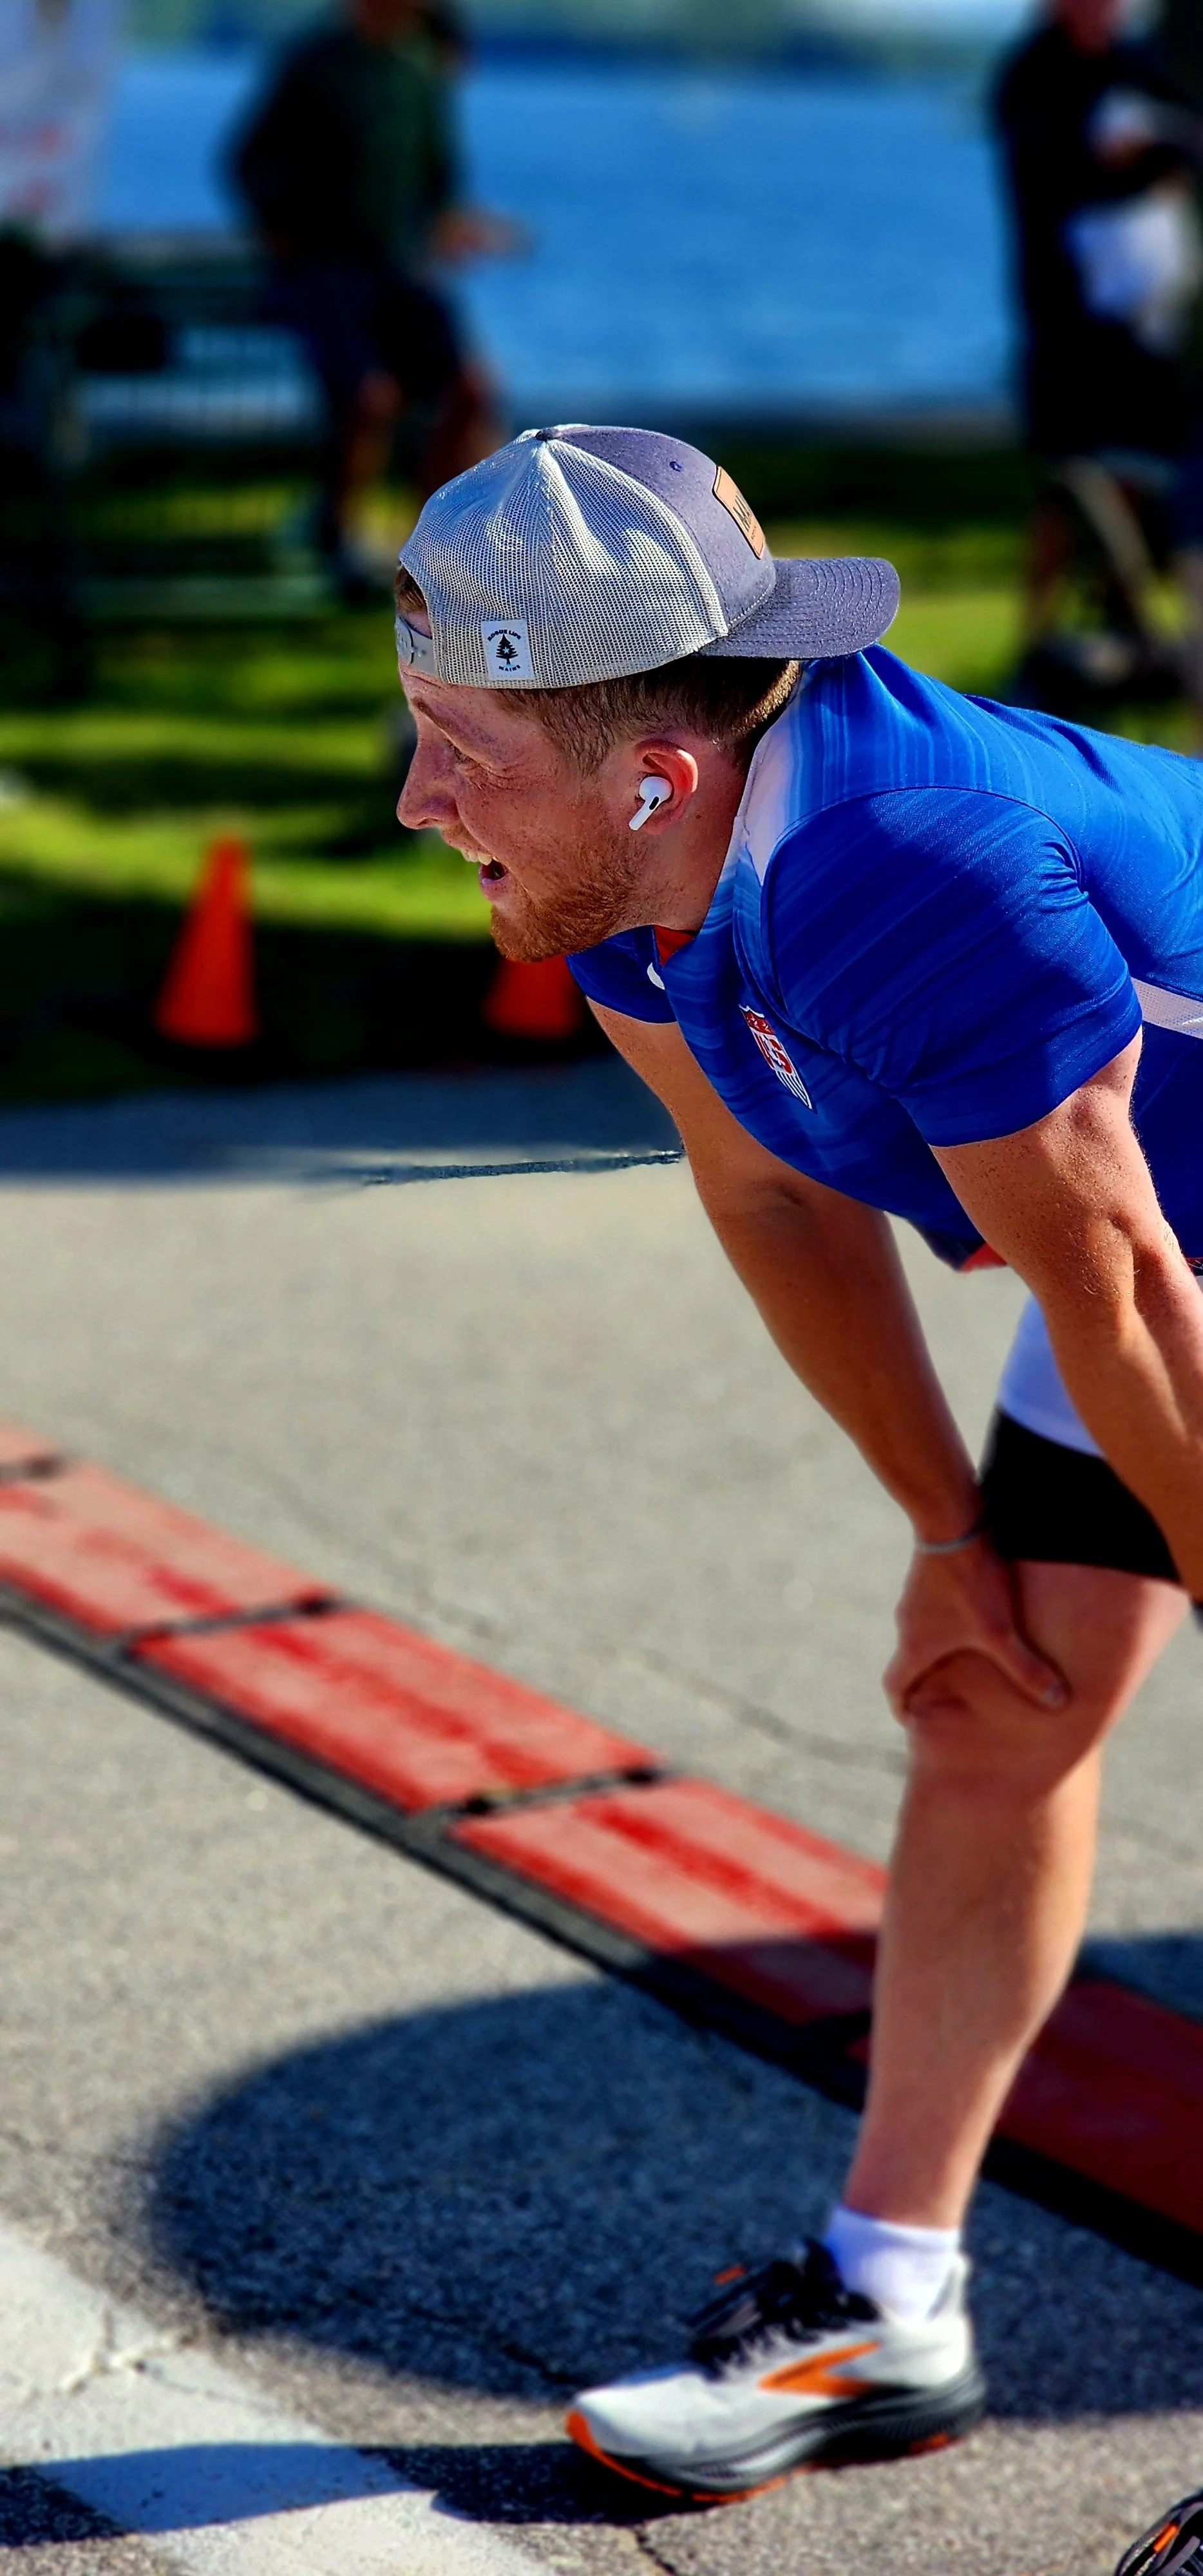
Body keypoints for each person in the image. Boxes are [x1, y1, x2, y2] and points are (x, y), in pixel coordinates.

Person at [392, 424, 1203, 2511]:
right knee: (995, 1710)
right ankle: (886, 2300)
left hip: (1155, 1260)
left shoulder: (887, 865)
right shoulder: (620, 868)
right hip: (1153, 1253)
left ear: (647, 764)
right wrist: (946, 1531)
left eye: (453, 744)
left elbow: (1111, 1287)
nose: (412, 801)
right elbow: (766, 1195)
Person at [231, 0, 509, 596]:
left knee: (470, 390)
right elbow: (251, 161)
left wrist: (449, 225)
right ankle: (337, 536)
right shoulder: (316, 63)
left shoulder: (418, 69)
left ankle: (433, 552)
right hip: (324, 271)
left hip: (396, 271)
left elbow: (438, 179)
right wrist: (284, 230)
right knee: (368, 396)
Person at [994, 0, 1202, 662]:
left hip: (1138, 318)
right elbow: (1050, 175)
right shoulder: (1029, 75)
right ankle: (1033, 644)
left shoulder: (1134, 65)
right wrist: (1127, 162)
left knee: (1138, 475)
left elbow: (1186, 140)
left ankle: (1130, 626)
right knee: (1062, 485)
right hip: (1061, 322)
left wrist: (1151, 155)